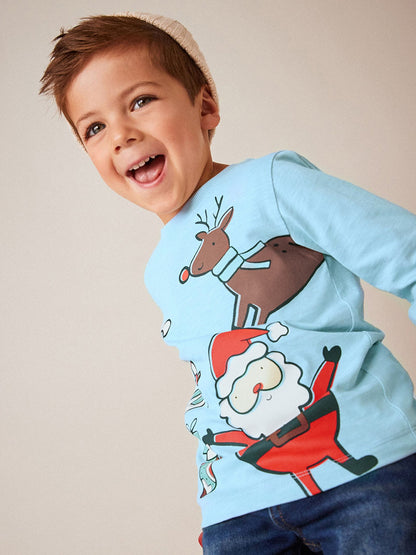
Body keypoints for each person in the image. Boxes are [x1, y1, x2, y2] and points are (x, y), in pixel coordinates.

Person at [40, 13, 416, 554]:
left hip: (366, 474)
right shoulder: (159, 269)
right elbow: (213, 387)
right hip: (240, 512)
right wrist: (219, 499)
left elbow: (404, 253)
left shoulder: (271, 183)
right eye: (94, 128)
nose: (121, 134)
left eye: (140, 100)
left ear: (205, 107)